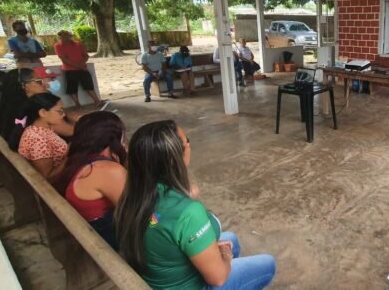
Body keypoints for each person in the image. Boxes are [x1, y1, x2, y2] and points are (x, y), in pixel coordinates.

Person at [115, 120, 276, 289]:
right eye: (187, 142)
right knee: (267, 264)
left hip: (157, 277)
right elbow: (218, 278)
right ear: (174, 159)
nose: (190, 146)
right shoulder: (189, 212)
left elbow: (161, 220)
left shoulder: (132, 197)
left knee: (231, 239)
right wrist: (225, 256)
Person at [55, 111, 127, 249]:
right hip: (110, 240)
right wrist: (158, 219)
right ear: (116, 139)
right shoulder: (106, 170)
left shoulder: (76, 160)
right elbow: (135, 216)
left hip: (89, 232)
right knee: (162, 215)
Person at [0, 68, 77, 141]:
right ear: (25, 86)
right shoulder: (35, 108)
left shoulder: (12, 104)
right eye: (39, 81)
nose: (45, 85)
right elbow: (70, 131)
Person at [9, 93, 68, 180]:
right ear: (43, 112)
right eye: (60, 111)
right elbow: (47, 177)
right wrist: (71, 154)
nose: (64, 115)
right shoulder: (37, 139)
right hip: (57, 185)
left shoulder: (41, 129)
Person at [54, 30, 102, 107]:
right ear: (59, 37)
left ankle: (97, 101)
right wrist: (79, 66)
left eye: (66, 35)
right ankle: (77, 104)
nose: (64, 38)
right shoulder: (58, 46)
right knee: (72, 88)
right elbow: (64, 59)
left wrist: (82, 64)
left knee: (88, 85)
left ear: (70, 36)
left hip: (82, 68)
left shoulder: (79, 44)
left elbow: (86, 56)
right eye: (62, 36)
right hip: (69, 70)